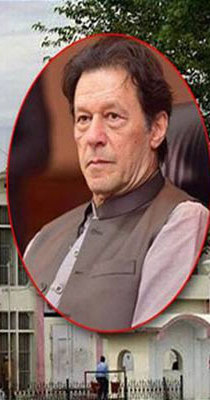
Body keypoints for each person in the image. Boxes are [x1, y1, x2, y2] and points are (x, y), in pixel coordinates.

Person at [24, 36, 209, 331]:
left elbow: (150, 337)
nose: (93, 137)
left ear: (156, 129)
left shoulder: (179, 220)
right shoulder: (43, 240)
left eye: (113, 116)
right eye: (84, 119)